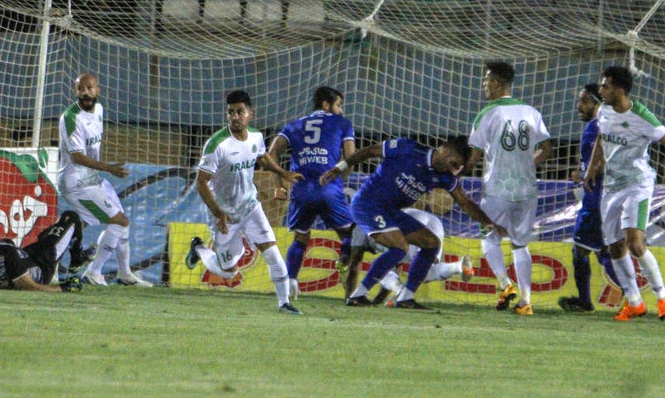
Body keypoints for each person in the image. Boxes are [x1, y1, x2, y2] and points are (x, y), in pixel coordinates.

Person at [584, 65, 665, 321]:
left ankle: (663, 299)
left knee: (635, 242)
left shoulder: (643, 117)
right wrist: (592, 169)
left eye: (605, 86)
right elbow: (601, 138)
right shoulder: (604, 112)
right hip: (611, 186)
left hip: (637, 184)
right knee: (614, 246)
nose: (600, 91)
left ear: (619, 90)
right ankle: (634, 302)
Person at [321, 135, 501, 310]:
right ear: (445, 149)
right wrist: (339, 168)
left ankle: (405, 298)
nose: (452, 170)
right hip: (367, 204)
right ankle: (357, 296)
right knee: (400, 246)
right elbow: (369, 151)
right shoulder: (407, 148)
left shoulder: (445, 177)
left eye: (457, 168)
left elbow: (465, 202)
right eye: (453, 164)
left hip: (391, 212)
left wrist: (487, 223)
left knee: (431, 243)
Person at [184, 89, 304, 314]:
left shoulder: (256, 137)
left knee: (272, 252)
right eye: (231, 112)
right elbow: (201, 183)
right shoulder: (217, 144)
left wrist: (282, 173)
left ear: (250, 114)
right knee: (228, 271)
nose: (235, 117)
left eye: (240, 111)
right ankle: (199, 248)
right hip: (224, 214)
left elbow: (263, 157)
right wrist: (218, 213)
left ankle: (284, 303)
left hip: (250, 207)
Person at [465, 61, 552, 316]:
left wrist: (457, 172)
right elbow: (547, 149)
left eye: (485, 80)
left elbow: (474, 156)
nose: (483, 85)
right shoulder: (531, 112)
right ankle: (525, 302)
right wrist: (526, 165)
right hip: (527, 190)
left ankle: (506, 285)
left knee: (489, 236)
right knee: (520, 244)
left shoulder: (488, 113)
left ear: (495, 83)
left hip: (498, 189)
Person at [58, 73, 151, 287]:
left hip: (92, 179)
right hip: (77, 184)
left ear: (97, 90)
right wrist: (109, 168)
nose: (85, 92)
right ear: (76, 92)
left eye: (90, 88)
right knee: (120, 222)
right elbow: (77, 157)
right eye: (81, 88)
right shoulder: (71, 118)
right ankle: (93, 272)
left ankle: (125, 274)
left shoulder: (99, 110)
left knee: (122, 223)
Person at [267, 86, 355, 299]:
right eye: (338, 105)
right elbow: (351, 158)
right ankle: (345, 268)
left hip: (301, 189)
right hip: (329, 189)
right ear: (326, 105)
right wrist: (340, 177)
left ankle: (290, 284)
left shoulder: (294, 125)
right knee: (350, 235)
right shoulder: (342, 123)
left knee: (300, 237)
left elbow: (270, 154)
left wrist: (280, 184)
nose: (341, 110)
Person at [558, 84, 618, 313]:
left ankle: (591, 301)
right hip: (605, 197)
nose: (579, 106)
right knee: (603, 250)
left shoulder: (596, 128)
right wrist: (582, 173)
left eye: (584, 101)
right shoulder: (604, 126)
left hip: (596, 200)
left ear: (597, 104)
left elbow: (602, 163)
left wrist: (587, 175)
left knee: (583, 250)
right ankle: (632, 299)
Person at [343, 206, 475, 306]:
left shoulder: (357, 230)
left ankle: (400, 291)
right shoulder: (373, 216)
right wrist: (377, 301)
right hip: (431, 221)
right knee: (425, 271)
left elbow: (354, 266)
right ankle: (458, 266)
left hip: (408, 224)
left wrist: (349, 297)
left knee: (381, 269)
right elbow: (394, 271)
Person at [0, 204, 83, 293]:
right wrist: (63, 288)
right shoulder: (5, 253)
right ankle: (77, 261)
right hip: (42, 264)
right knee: (71, 217)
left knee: (9, 241)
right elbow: (30, 286)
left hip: (26, 255)